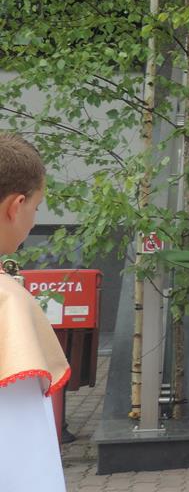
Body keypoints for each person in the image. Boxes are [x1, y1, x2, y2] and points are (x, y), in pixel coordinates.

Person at [0, 133, 69, 492]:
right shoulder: (7, 304)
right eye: (36, 207)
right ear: (16, 206)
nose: (33, 219)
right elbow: (22, 451)